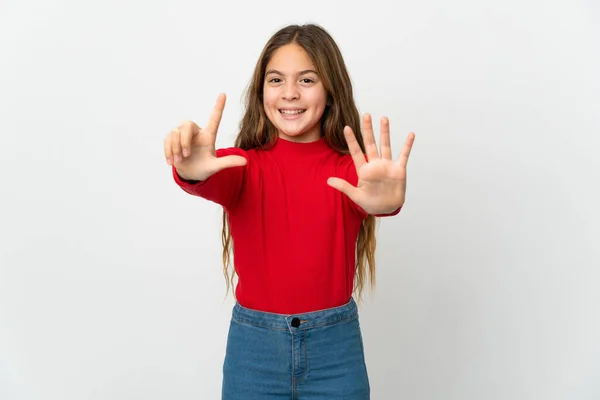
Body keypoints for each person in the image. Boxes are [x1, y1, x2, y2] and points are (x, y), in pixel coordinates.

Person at [164, 23, 415, 400]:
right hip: (255, 353)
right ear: (261, 90)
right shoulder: (239, 167)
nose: (290, 93)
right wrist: (188, 167)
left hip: (336, 352)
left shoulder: (352, 172)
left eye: (308, 80)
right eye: (276, 80)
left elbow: (378, 197)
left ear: (331, 90)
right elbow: (202, 177)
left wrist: (388, 202)